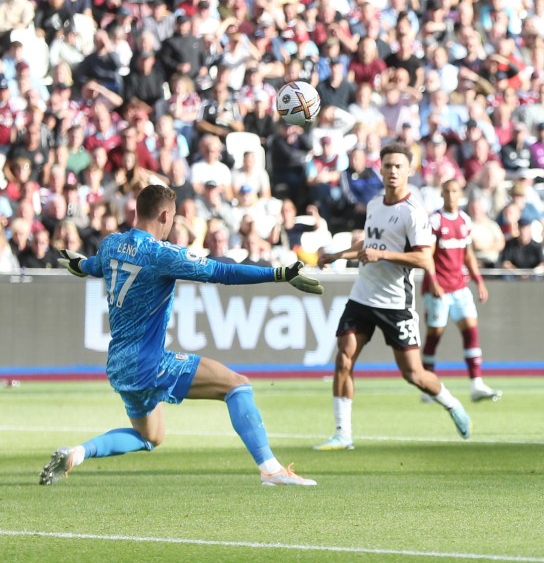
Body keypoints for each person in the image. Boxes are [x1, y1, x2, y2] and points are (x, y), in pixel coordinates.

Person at [41, 184, 324, 486]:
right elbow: (223, 273)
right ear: (165, 215)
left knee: (150, 437)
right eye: (173, 219)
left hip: (119, 364)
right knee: (237, 386)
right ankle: (271, 469)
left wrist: (79, 264)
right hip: (148, 362)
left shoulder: (111, 244)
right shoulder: (160, 254)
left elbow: (94, 266)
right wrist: (279, 274)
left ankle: (78, 453)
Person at [314, 143, 472, 451]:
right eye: (387, 166)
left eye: (399, 166)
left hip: (395, 302)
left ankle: (452, 403)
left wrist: (383, 255)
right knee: (343, 359)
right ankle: (342, 433)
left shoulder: (414, 213)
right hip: (362, 295)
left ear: (409, 171)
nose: (393, 171)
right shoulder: (374, 204)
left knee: (413, 374)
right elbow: (369, 248)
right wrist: (336, 254)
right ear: (381, 169)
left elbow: (425, 259)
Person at [421, 179, 502, 403]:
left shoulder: (465, 220)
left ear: (460, 194)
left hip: (459, 286)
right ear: (442, 194)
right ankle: (428, 384)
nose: (450, 195)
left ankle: (476, 384)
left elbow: (468, 255)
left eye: (454, 191)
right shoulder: (435, 221)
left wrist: (479, 281)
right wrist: (433, 281)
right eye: (446, 191)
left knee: (471, 332)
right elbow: (427, 255)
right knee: (434, 336)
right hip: (438, 289)